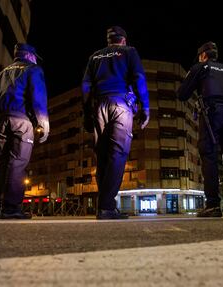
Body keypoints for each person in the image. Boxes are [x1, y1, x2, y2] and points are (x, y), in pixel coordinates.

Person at [82, 26, 150, 219]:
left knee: (102, 156)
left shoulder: (94, 57)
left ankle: (103, 205)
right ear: (123, 40)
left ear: (109, 40)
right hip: (120, 104)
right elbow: (139, 78)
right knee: (117, 154)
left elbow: (86, 85)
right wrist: (145, 107)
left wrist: (87, 113)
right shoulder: (129, 52)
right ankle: (107, 207)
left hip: (99, 105)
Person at [177, 41, 223, 218]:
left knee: (209, 156)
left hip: (211, 114)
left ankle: (213, 205)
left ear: (203, 55)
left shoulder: (201, 67)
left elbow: (181, 94)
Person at [0, 43, 49, 219]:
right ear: (29, 55)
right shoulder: (33, 70)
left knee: (1, 163)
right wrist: (43, 123)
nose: (36, 60)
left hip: (2, 121)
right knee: (18, 162)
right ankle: (11, 208)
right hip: (22, 121)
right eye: (35, 57)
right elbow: (38, 98)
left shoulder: (1, 74)